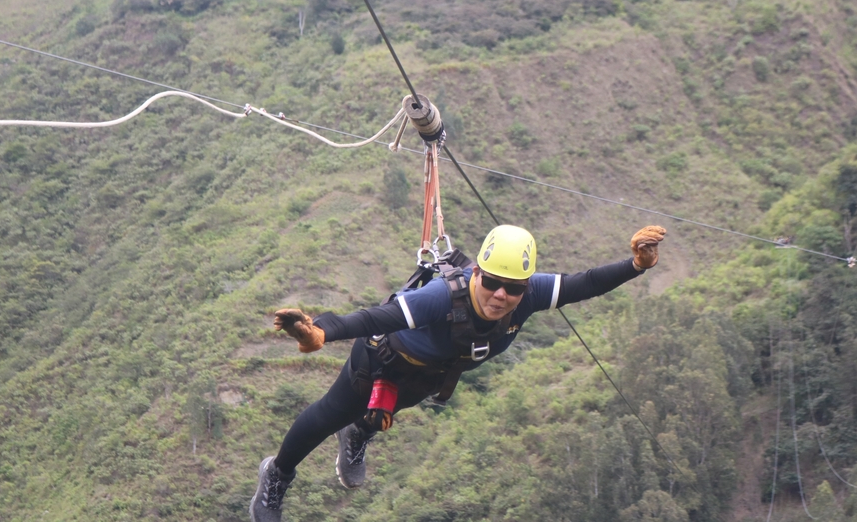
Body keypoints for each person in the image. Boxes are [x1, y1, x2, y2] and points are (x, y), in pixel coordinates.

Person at [249, 223, 667, 522]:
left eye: (514, 287)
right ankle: (278, 474)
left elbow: (585, 284)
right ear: (477, 273)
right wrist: (322, 329)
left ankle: (358, 435)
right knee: (329, 416)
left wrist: (637, 265)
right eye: (493, 283)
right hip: (381, 361)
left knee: (374, 420)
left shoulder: (529, 294)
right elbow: (379, 316)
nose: (502, 295)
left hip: (430, 376)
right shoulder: (441, 298)